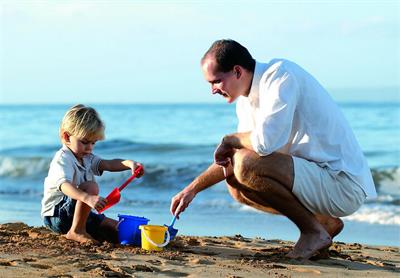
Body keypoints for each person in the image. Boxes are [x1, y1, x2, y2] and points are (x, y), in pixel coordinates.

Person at [170, 39, 377, 259]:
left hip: (341, 184)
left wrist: (230, 140)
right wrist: (191, 190)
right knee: (236, 185)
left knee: (246, 165)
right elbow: (234, 158)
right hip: (315, 179)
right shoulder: (245, 100)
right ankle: (321, 223)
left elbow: (263, 143)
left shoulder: (281, 76)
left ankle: (312, 232)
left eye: (216, 81)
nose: (213, 90)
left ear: (237, 71)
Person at [41, 104, 144, 244]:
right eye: (84, 142)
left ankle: (85, 229)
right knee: (91, 186)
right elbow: (64, 186)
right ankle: (76, 231)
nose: (89, 148)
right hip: (57, 216)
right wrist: (87, 198)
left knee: (113, 226)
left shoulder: (87, 157)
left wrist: (129, 164)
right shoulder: (63, 159)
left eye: (93, 143)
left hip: (75, 214)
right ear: (66, 137)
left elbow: (108, 164)